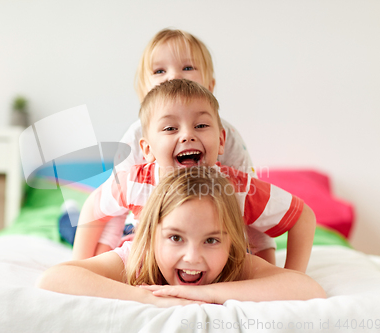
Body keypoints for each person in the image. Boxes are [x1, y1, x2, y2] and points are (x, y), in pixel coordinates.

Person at [72, 28, 277, 263]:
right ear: (144, 94)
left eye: (187, 68)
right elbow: (114, 206)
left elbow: (249, 199)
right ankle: (68, 217)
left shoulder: (225, 135)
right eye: (160, 70)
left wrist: (265, 260)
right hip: (148, 229)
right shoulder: (136, 136)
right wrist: (94, 261)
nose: (174, 77)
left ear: (210, 87)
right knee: (97, 233)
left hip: (207, 234)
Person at [73, 79, 316, 273]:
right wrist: (79, 263)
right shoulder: (135, 183)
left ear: (221, 141)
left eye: (200, 126)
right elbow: (94, 208)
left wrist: (292, 274)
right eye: (170, 128)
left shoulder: (237, 189)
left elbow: (302, 217)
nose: (187, 135)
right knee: (71, 226)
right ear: (147, 150)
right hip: (135, 238)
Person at [38, 167, 326, 307]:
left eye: (211, 240)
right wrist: (149, 299)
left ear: (231, 242)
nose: (192, 257)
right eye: (176, 238)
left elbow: (308, 288)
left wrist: (207, 293)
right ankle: (68, 211)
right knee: (72, 229)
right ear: (153, 238)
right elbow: (53, 278)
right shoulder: (137, 257)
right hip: (129, 232)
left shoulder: (233, 262)